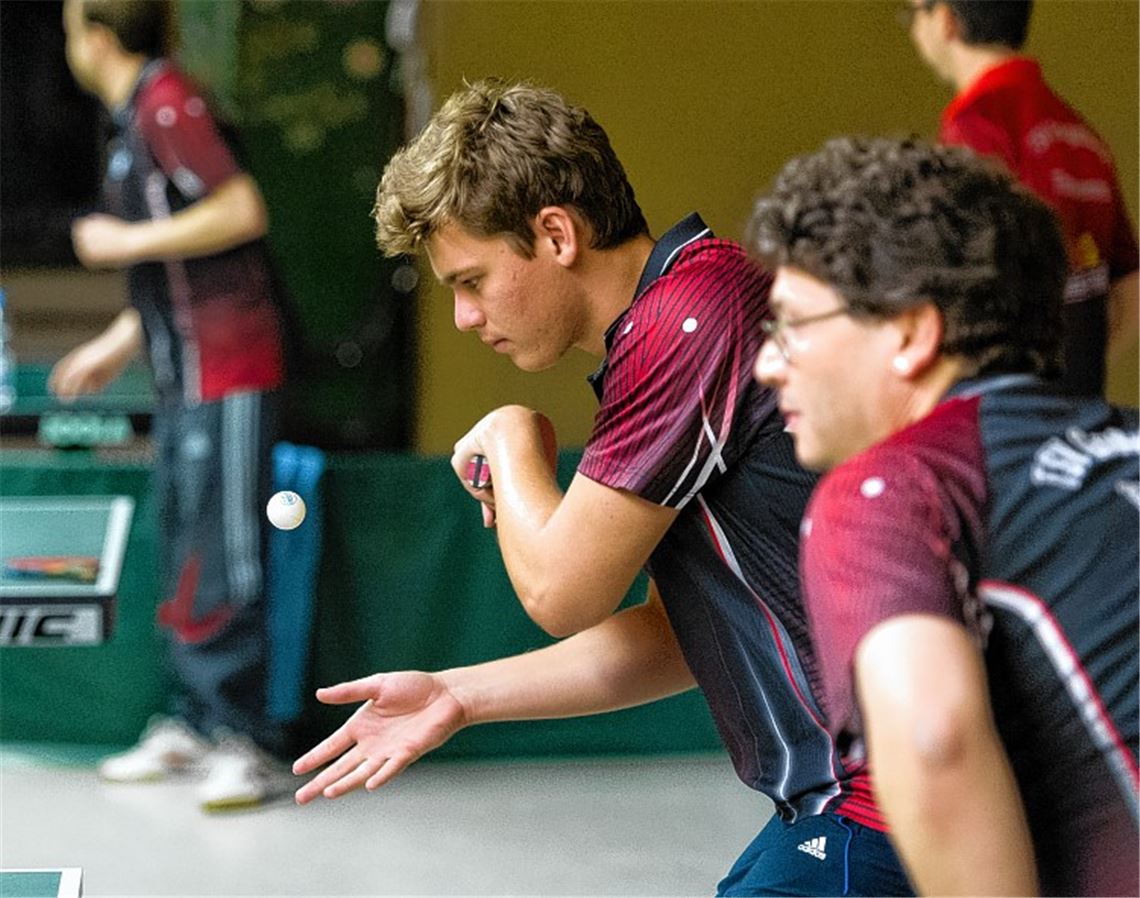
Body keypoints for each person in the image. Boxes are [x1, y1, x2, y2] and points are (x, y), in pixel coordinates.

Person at [292, 79, 914, 897]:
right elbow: (674, 632)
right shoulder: (686, 311)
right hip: (848, 799)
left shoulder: (682, 324)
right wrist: (456, 695)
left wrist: (514, 438)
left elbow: (562, 590)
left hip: (890, 795)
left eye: (472, 281)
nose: (465, 319)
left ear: (555, 234)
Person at [749, 135, 1139, 896]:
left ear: (909, 333)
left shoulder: (893, 489)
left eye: (792, 324)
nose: (769, 363)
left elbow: (934, 741)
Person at [52, 0, 288, 810]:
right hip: (180, 374)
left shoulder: (164, 102)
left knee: (226, 556)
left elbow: (239, 209)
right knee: (188, 554)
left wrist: (119, 244)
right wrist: (116, 342)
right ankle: (193, 722)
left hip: (229, 370)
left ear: (93, 28)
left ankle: (243, 740)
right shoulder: (132, 119)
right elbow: (181, 263)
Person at [904, 0, 1139, 398]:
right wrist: (1076, 366)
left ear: (944, 19)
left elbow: (966, 283)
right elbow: (1131, 283)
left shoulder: (977, 126)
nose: (913, 28)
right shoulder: (1078, 133)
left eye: (914, 12)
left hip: (1005, 407)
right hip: (1076, 399)